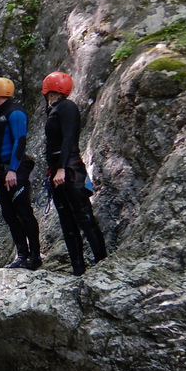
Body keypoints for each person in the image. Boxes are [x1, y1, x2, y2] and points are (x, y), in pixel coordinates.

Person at [42, 71, 107, 276]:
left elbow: (69, 137)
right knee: (67, 220)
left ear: (48, 89)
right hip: (58, 170)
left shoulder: (67, 107)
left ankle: (102, 262)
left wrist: (61, 168)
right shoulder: (54, 109)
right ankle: (78, 268)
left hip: (69, 169)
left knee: (84, 216)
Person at [0, 77, 41, 270]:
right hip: (3, 171)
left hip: (16, 169)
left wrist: (13, 170)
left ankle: (35, 256)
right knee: (9, 214)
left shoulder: (15, 112)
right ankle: (22, 255)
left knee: (24, 212)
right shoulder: (0, 114)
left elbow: (20, 141)